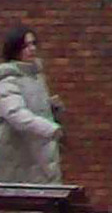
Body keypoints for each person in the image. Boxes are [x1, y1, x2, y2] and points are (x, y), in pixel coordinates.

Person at [0, 28, 64, 185]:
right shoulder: (8, 79)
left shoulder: (36, 77)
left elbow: (35, 107)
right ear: (15, 49)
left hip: (41, 153)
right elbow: (15, 114)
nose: (32, 49)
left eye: (33, 44)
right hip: (20, 156)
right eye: (26, 46)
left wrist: (51, 108)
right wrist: (50, 129)